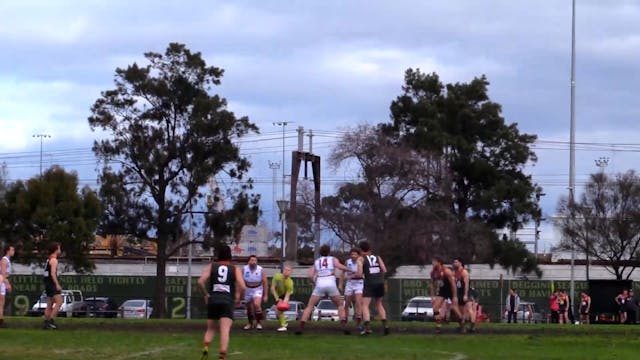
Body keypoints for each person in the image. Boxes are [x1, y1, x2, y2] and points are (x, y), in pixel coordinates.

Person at [197, 245, 246, 360]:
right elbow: (243, 286)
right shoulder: (235, 268)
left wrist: (206, 294)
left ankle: (205, 347)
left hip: (213, 300)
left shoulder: (212, 266)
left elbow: (200, 282)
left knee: (210, 328)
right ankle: (222, 354)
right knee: (225, 329)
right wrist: (239, 298)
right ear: (230, 255)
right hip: (227, 301)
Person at [296, 244, 349, 335]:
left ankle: (301, 326)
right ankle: (344, 326)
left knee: (310, 306)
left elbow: (310, 275)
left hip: (320, 282)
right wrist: (350, 269)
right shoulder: (332, 259)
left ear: (320, 253)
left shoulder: (317, 261)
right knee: (340, 305)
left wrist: (313, 282)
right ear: (329, 252)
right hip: (330, 282)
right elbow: (339, 266)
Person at [359, 240, 390, 336]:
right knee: (379, 304)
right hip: (379, 282)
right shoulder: (377, 257)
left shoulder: (361, 259)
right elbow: (384, 270)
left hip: (369, 283)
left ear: (361, 250)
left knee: (365, 305)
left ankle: (367, 328)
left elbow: (360, 273)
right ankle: (385, 325)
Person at [430, 257, 460, 333]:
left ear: (439, 262)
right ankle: (438, 326)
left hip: (450, 290)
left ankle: (462, 324)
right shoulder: (433, 272)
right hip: (442, 291)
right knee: (435, 308)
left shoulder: (446, 271)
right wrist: (433, 296)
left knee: (455, 309)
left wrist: (455, 296)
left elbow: (453, 284)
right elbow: (432, 284)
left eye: (434, 262)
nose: (432, 263)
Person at [339, 247, 364, 331]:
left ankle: (358, 323)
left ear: (358, 255)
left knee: (358, 303)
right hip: (350, 284)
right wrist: (340, 284)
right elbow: (343, 272)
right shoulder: (347, 262)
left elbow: (360, 275)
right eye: (352, 254)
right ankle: (345, 323)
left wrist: (350, 276)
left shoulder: (360, 262)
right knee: (347, 304)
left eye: (355, 254)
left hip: (358, 283)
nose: (353, 256)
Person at [241, 255, 268, 330]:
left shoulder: (260, 269)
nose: (253, 262)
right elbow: (240, 280)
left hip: (257, 288)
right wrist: (241, 291)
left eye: (255, 260)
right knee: (249, 308)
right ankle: (250, 323)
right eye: (252, 260)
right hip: (247, 289)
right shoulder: (244, 269)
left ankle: (259, 323)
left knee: (257, 304)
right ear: (248, 261)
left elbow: (265, 282)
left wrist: (265, 295)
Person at [43, 242, 62, 330]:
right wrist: (57, 284)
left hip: (47, 283)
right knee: (59, 301)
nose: (60, 250)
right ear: (55, 250)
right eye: (59, 248)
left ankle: (46, 322)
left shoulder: (48, 259)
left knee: (50, 303)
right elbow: (53, 273)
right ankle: (51, 321)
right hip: (51, 283)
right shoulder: (54, 260)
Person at [270, 264, 294, 332]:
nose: (286, 271)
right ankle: (284, 321)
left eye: (288, 270)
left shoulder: (290, 282)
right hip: (277, 294)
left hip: (284, 295)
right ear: (283, 270)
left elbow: (287, 295)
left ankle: (283, 326)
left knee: (279, 310)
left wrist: (284, 303)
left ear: (291, 272)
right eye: (285, 270)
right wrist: (277, 299)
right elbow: (273, 288)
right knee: (277, 314)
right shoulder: (277, 277)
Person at [453, 258, 474, 333]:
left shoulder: (464, 272)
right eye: (454, 262)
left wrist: (465, 295)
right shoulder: (455, 272)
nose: (454, 263)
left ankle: (471, 326)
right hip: (459, 293)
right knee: (460, 312)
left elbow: (466, 284)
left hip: (465, 293)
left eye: (456, 262)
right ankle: (463, 327)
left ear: (460, 263)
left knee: (468, 310)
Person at [0, 244, 15, 328]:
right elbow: (3, 273)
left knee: (2, 302)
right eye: (12, 250)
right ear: (8, 251)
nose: (13, 252)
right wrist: (7, 283)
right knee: (1, 301)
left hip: (2, 280)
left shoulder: (7, 260)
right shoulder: (4, 260)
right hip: (1, 280)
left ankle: (1, 319)